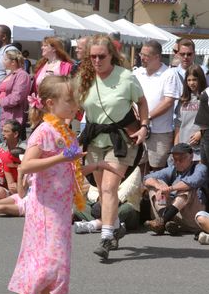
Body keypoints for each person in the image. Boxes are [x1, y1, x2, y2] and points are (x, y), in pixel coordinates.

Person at [2, 75, 121, 294]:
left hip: (60, 206)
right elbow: (27, 166)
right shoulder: (44, 131)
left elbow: (69, 169)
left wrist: (96, 166)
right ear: (49, 103)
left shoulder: (64, 131)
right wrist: (60, 156)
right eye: (69, 100)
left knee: (58, 263)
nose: (74, 103)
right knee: (50, 260)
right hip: (44, 208)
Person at [78, 34, 149, 259]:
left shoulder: (126, 77)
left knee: (109, 188)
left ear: (112, 56)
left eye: (101, 56)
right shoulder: (85, 77)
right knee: (101, 190)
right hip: (94, 138)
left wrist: (145, 126)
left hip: (121, 141)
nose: (97, 61)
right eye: (93, 57)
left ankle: (107, 237)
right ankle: (116, 226)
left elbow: (142, 102)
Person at [134, 40, 181, 171]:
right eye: (141, 54)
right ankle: (141, 191)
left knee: (157, 168)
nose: (141, 57)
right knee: (138, 165)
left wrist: (146, 117)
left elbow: (168, 101)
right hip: (138, 128)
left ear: (157, 57)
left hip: (160, 131)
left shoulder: (169, 74)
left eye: (146, 55)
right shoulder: (137, 73)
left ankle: (155, 192)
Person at [144, 143, 208, 236]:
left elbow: (193, 181)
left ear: (191, 157)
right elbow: (147, 178)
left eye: (181, 159)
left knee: (185, 187)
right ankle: (164, 220)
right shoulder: (173, 169)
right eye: (175, 159)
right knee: (155, 185)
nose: (177, 162)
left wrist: (170, 189)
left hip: (193, 216)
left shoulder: (200, 168)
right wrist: (159, 187)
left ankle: (163, 221)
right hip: (175, 214)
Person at [0, 49, 31, 143]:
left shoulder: (22, 75)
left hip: (12, 115)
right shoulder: (11, 74)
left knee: (9, 142)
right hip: (3, 112)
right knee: (3, 141)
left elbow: (17, 97)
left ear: (13, 62)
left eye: (5, 59)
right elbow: (4, 93)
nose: (3, 61)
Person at [174, 64, 207, 162]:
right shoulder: (183, 99)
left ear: (200, 79)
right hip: (184, 150)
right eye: (189, 80)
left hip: (201, 150)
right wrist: (176, 147)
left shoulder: (206, 97)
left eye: (194, 80)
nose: (191, 83)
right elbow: (178, 124)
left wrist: (200, 133)